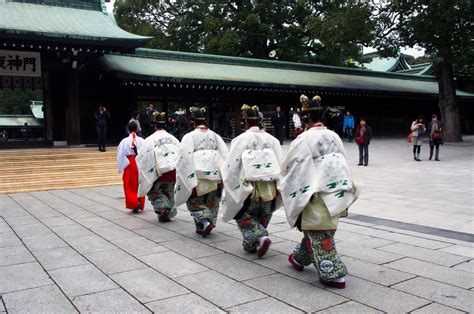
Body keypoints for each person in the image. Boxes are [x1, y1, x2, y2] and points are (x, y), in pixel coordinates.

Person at [279, 94, 359, 289]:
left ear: (306, 118)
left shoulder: (304, 138)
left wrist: (287, 186)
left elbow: (292, 166)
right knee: (319, 228)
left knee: (320, 231)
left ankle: (332, 272)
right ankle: (300, 258)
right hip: (335, 187)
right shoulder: (334, 136)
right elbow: (343, 160)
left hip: (315, 191)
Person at [220, 105, 283, 258]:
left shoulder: (240, 140)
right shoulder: (272, 140)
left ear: (245, 122)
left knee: (242, 213)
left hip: (250, 186)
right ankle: (254, 243)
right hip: (269, 187)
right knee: (263, 214)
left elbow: (231, 166)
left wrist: (228, 185)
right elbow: (281, 163)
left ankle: (261, 237)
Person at [175, 107, 228, 237]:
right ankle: (205, 223)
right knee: (212, 200)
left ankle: (204, 222)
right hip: (214, 173)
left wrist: (184, 174)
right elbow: (225, 154)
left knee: (194, 201)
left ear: (193, 122)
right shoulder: (215, 135)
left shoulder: (190, 136)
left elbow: (184, 156)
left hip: (198, 173)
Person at [136, 112, 180, 222]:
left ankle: (164, 208)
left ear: (154, 125)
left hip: (158, 171)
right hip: (172, 170)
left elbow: (143, 156)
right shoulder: (173, 138)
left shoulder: (151, 139)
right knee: (170, 191)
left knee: (155, 191)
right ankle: (168, 212)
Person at [117, 122, 145, 213]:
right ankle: (139, 201)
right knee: (139, 183)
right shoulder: (141, 140)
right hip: (139, 163)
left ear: (128, 129)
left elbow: (120, 154)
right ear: (137, 129)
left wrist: (122, 166)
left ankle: (134, 203)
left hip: (130, 163)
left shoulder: (124, 141)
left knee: (129, 184)